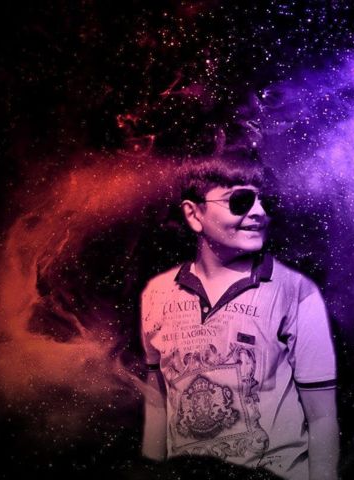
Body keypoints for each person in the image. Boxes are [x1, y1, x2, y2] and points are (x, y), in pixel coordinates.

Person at [140, 153, 339, 480]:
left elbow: (322, 417)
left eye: (264, 201)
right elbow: (157, 401)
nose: (259, 212)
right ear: (193, 214)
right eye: (240, 200)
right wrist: (151, 469)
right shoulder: (156, 295)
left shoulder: (296, 293)